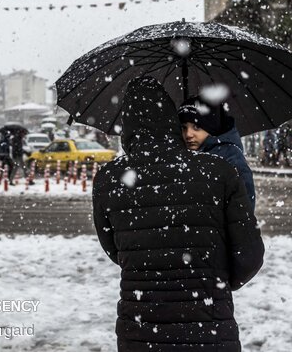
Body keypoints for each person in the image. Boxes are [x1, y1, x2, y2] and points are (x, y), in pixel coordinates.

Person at [92, 76, 264, 352]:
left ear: (127, 127)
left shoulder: (108, 179)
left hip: (140, 331)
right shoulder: (218, 172)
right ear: (171, 120)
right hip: (209, 327)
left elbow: (114, 248)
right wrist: (214, 279)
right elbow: (249, 255)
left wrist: (147, 264)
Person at [177, 96, 256, 211]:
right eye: (184, 127)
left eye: (196, 127)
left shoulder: (230, 158)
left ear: (211, 128)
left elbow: (244, 211)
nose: (188, 134)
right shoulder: (183, 155)